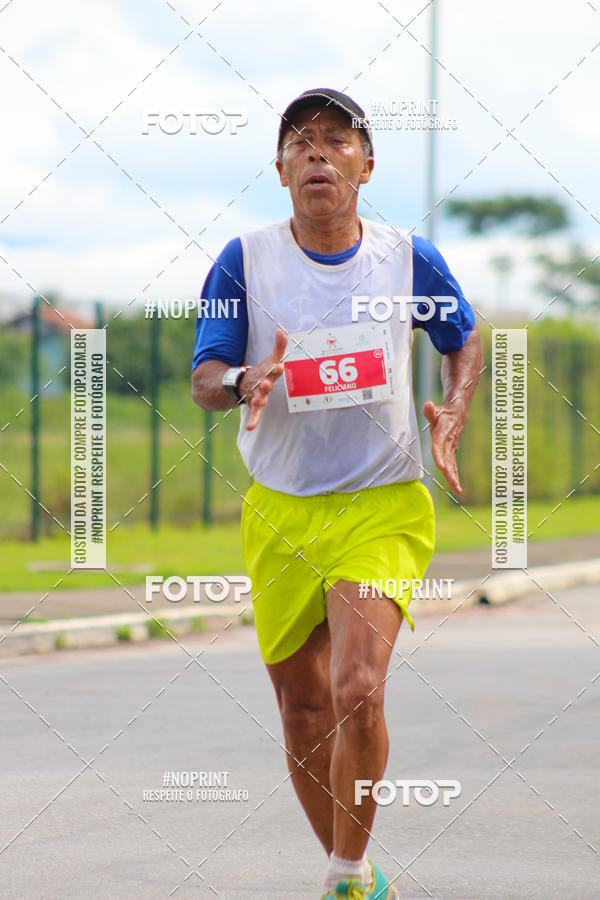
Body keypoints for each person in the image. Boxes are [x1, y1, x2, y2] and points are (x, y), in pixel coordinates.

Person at [192, 88, 482, 899]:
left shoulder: (407, 257)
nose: (318, 153)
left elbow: (462, 338)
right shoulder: (242, 261)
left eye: (336, 140)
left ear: (367, 163)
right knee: (304, 712)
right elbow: (204, 377)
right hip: (281, 506)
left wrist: (452, 411)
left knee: (358, 687)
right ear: (281, 169)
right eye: (301, 143)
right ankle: (355, 870)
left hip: (381, 500)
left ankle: (346, 878)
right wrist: (247, 377)